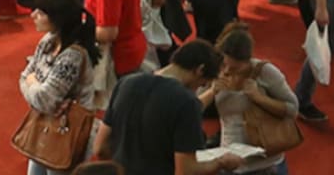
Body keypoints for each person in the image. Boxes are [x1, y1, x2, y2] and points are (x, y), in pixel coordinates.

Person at [94, 40, 244, 175]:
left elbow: (100, 148)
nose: (198, 89)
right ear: (200, 70)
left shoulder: (125, 84)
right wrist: (219, 163)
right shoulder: (186, 102)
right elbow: (185, 170)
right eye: (202, 84)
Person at [198, 22, 299, 175]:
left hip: (266, 164)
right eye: (225, 64)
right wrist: (212, 92)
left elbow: (292, 110)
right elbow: (193, 108)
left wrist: (259, 98)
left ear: (248, 60)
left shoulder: (266, 72)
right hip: (231, 161)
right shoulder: (216, 72)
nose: (227, 71)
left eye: (235, 68)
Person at [19, 0, 99, 175]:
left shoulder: (72, 55)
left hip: (67, 130)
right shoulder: (48, 41)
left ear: (58, 17)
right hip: (44, 124)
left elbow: (45, 99)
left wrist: (32, 81)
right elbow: (25, 76)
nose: (33, 15)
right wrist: (32, 84)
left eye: (41, 12)